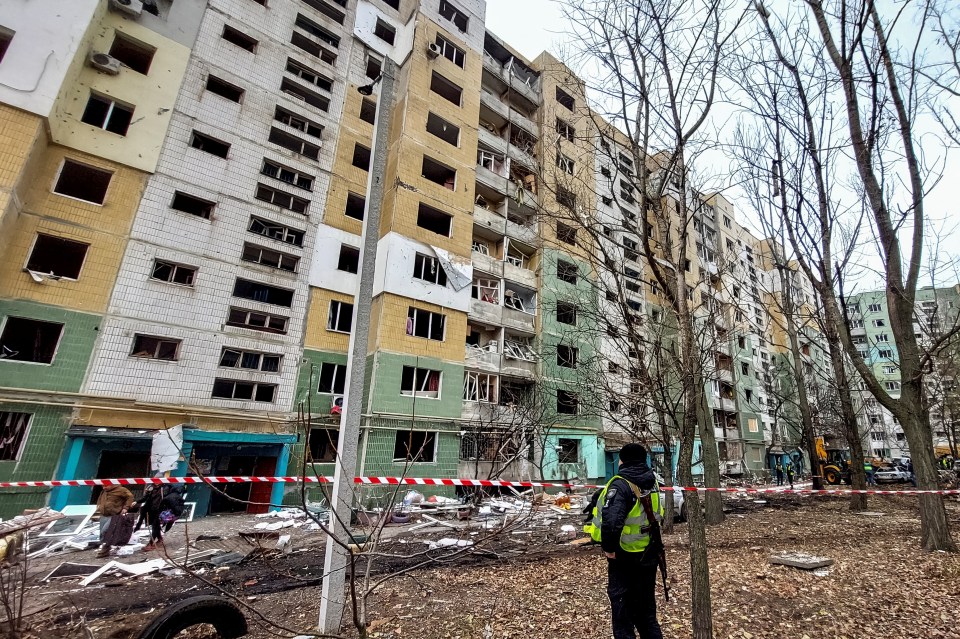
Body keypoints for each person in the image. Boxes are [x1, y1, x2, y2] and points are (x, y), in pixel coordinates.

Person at [584, 443, 664, 639]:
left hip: (624, 558)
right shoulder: (652, 482)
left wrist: (609, 549)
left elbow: (612, 523)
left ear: (622, 460)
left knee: (622, 616)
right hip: (648, 554)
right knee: (646, 614)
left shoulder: (620, 484)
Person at [95, 485, 135, 558]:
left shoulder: (121, 490)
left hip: (114, 515)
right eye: (102, 486)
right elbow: (101, 499)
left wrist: (125, 508)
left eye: (105, 486)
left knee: (106, 531)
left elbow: (130, 497)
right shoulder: (104, 491)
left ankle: (105, 547)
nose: (104, 488)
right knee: (101, 533)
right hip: (104, 514)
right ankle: (105, 548)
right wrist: (99, 507)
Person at [146, 485, 187, 551]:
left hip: (165, 515)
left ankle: (150, 544)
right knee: (157, 527)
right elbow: (178, 509)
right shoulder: (179, 498)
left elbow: (161, 506)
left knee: (155, 527)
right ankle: (159, 539)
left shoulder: (168, 497)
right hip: (172, 516)